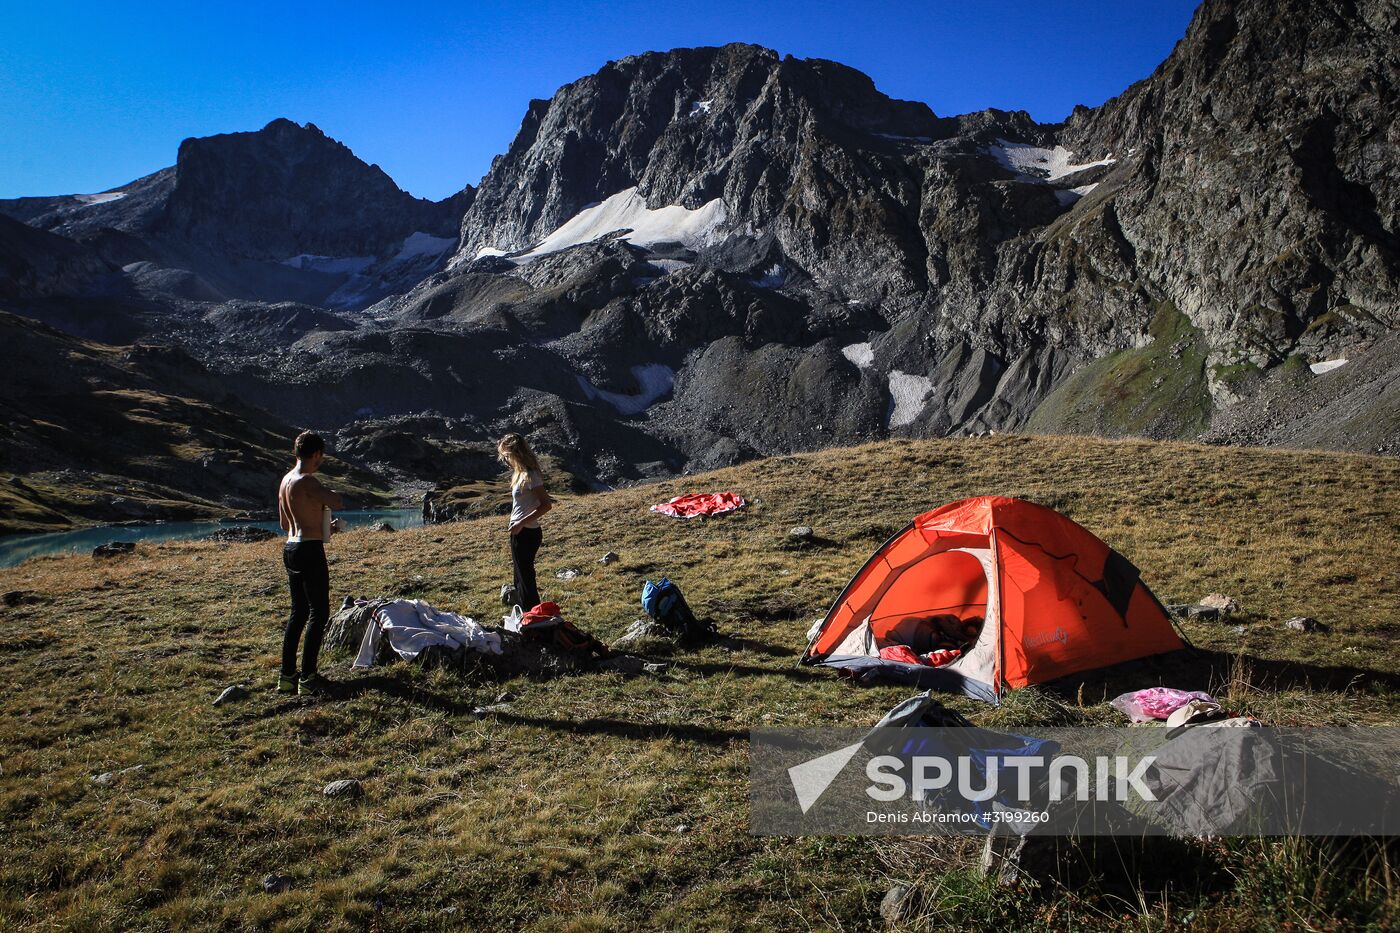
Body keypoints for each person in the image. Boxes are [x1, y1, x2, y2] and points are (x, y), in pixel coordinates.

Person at [277, 431, 343, 696]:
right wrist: (329, 497)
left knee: (298, 612)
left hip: (291, 547)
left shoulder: (285, 481)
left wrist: (323, 526)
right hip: (309, 549)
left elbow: (284, 524)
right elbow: (337, 501)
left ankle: (287, 676)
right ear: (316, 454)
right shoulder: (307, 481)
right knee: (319, 612)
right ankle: (309, 676)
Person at [498, 433, 552, 611]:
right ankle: (525, 614)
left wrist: (521, 523)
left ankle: (533, 616)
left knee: (526, 577)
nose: (505, 460)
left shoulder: (530, 475)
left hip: (526, 532)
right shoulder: (519, 474)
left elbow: (546, 505)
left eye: (506, 455)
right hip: (519, 531)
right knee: (519, 577)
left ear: (516, 453)